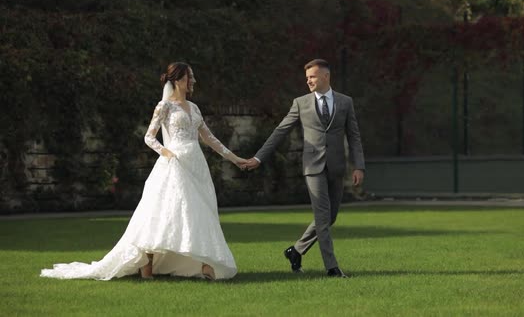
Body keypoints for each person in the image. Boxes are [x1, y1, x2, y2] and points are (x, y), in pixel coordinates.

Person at [41, 62, 246, 280]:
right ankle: (147, 261)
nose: (193, 81)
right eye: (189, 77)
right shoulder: (164, 106)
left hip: (196, 165)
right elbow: (149, 136)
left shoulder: (194, 108)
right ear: (177, 80)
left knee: (201, 211)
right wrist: (165, 152)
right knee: (160, 212)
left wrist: (236, 159)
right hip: (174, 164)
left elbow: (210, 138)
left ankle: (206, 264)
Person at [243, 59, 365, 278]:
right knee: (322, 215)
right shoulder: (300, 103)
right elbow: (280, 131)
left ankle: (296, 251)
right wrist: (259, 158)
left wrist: (359, 166)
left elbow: (354, 136)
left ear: (326, 76)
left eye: (313, 76)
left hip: (337, 167)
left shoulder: (345, 102)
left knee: (330, 217)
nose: (308, 81)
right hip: (313, 167)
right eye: (307, 77)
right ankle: (332, 268)